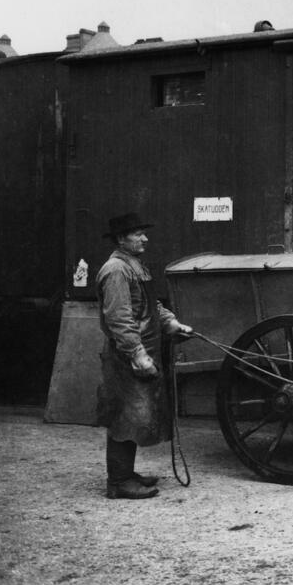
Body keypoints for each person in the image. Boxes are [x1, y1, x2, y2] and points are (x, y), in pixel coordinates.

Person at [95, 213, 193, 499]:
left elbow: (151, 306)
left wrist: (171, 323)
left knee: (135, 416)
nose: (145, 238)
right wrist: (137, 354)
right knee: (125, 416)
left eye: (143, 233)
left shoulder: (134, 266)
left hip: (143, 349)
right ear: (120, 239)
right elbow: (119, 319)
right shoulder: (116, 270)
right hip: (126, 356)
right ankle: (119, 481)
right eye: (138, 233)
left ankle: (126, 473)